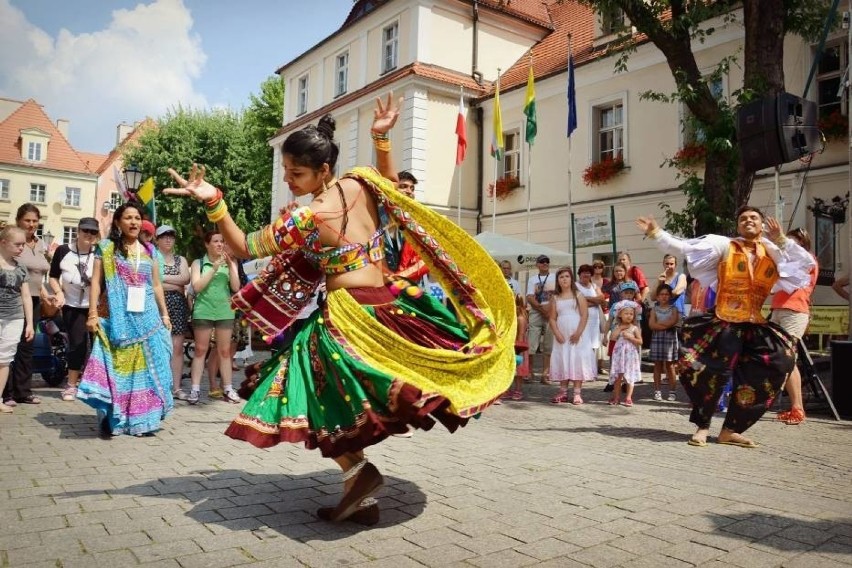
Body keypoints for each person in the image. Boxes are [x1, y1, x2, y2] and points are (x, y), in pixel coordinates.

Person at [164, 93, 515, 525]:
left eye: (297, 173)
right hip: (387, 304)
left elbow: (242, 246)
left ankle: (358, 472)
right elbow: (393, 185)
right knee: (345, 395)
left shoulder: (307, 218)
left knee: (304, 390)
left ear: (322, 170)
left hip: (350, 315)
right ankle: (359, 491)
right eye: (287, 172)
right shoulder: (360, 182)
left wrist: (214, 200)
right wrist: (381, 141)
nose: (290, 180)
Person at [637, 207, 815, 448]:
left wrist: (781, 239)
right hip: (724, 321)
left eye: (754, 218)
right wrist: (656, 233)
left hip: (754, 323)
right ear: (738, 226)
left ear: (762, 225)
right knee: (712, 373)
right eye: (743, 218)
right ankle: (703, 426)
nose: (748, 221)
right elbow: (683, 248)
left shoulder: (772, 250)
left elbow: (805, 264)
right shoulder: (724, 246)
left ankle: (731, 429)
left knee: (781, 359)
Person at [79, 202, 174, 438]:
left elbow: (155, 285)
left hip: (148, 318)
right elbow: (96, 284)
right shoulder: (107, 248)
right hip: (117, 320)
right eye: (128, 218)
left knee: (151, 369)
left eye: (137, 218)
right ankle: (112, 416)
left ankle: (145, 420)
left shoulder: (149, 251)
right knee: (120, 369)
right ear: (119, 223)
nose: (134, 222)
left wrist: (164, 314)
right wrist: (92, 314)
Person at [5, 203, 53, 406]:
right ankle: (5, 392)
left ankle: (22, 391)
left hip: (33, 299)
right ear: (18, 221)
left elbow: (37, 276)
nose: (31, 224)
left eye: (35, 221)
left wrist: (45, 294)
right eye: (27, 220)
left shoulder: (40, 244)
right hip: (12, 298)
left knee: (27, 345)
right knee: (8, 345)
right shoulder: (13, 243)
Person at [769, 227, 817, 426]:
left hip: (795, 311)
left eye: (792, 242)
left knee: (788, 357)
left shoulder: (808, 260)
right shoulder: (785, 262)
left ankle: (798, 408)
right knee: (777, 357)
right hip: (777, 309)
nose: (787, 244)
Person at [48, 217, 100, 402]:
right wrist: (58, 292)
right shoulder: (63, 251)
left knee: (98, 346)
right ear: (78, 231)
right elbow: (53, 276)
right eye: (85, 230)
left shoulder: (100, 253)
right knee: (77, 344)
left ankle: (95, 384)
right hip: (72, 306)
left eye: (93, 232)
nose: (89, 235)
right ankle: (71, 385)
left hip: (95, 306)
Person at [187, 230, 241, 405]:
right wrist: (214, 268)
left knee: (224, 351)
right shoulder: (199, 263)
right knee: (201, 350)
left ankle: (228, 388)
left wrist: (231, 265)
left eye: (222, 241)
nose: (220, 244)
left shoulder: (229, 261)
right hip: (203, 310)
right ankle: (195, 389)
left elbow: (235, 286)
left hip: (224, 310)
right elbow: (197, 286)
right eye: (216, 241)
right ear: (207, 244)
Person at [0, 226, 34, 413]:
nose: (22, 248)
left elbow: (26, 296)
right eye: (18, 244)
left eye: (23, 245)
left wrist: (29, 323)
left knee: (5, 359)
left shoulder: (21, 267)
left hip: (14, 318)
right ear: (3, 242)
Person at [155, 224, 191, 401]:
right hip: (156, 305)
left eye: (171, 236)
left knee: (177, 348)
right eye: (164, 236)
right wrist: (174, 284)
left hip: (177, 305)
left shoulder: (181, 260)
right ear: (157, 239)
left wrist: (161, 280)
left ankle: (176, 387)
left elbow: (185, 278)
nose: (168, 239)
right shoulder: (153, 257)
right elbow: (151, 282)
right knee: (158, 346)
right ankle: (159, 386)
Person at [548, 266, 593, 404]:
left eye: (567, 276)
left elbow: (584, 314)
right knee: (563, 358)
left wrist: (579, 333)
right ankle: (563, 392)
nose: (564, 279)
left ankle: (577, 393)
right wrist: (556, 333)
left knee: (576, 359)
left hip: (576, 333)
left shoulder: (578, 295)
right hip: (562, 334)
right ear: (558, 281)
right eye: (561, 277)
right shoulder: (555, 298)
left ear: (571, 279)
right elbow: (552, 318)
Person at [649, 283, 680, 402]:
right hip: (657, 338)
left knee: (670, 365)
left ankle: (672, 391)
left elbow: (672, 322)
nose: (664, 297)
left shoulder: (674, 309)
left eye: (667, 294)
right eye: (661, 294)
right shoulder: (654, 309)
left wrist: (659, 325)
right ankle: (657, 391)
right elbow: (651, 325)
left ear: (670, 296)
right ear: (657, 297)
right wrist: (663, 326)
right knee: (657, 365)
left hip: (670, 339)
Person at [526, 255, 555, 381]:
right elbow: (529, 296)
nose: (545, 264)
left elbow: (557, 295)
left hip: (551, 311)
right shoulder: (532, 279)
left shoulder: (554, 277)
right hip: (536, 312)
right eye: (542, 262)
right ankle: (529, 371)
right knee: (531, 344)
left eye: (547, 262)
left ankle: (545, 373)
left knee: (549, 344)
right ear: (537, 264)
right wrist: (541, 309)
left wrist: (549, 308)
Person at [608, 304, 642, 407]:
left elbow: (640, 341)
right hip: (619, 355)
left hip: (630, 355)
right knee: (618, 376)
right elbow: (613, 338)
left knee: (630, 376)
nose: (629, 316)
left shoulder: (635, 328)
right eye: (626, 313)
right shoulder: (618, 327)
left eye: (631, 314)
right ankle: (616, 397)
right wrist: (621, 328)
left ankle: (628, 397)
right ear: (620, 315)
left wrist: (631, 338)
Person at [576, 264, 606, 375]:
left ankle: (591, 370)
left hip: (594, 320)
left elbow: (601, 298)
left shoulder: (594, 286)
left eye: (588, 272)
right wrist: (594, 301)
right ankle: (581, 370)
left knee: (593, 345)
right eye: (583, 272)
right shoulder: (575, 286)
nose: (586, 274)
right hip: (582, 319)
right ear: (579, 274)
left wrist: (587, 298)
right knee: (582, 345)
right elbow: (577, 303)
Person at [652, 254, 687, 319]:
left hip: (677, 315)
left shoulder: (681, 276)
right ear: (663, 264)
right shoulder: (660, 278)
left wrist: (660, 295)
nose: (669, 266)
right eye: (667, 264)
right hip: (661, 315)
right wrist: (659, 283)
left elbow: (676, 292)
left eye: (671, 264)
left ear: (675, 265)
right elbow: (652, 297)